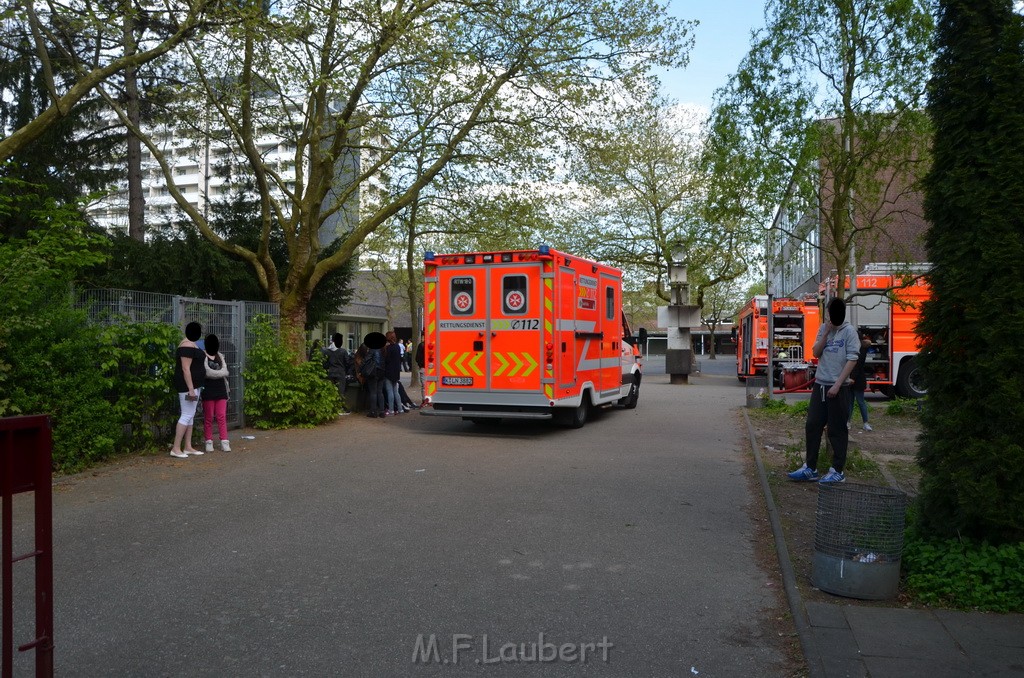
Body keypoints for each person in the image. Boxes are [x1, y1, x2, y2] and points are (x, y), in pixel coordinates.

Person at [788, 297, 860, 484]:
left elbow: (852, 359)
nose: (829, 316)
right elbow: (816, 352)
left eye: (831, 313)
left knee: (837, 430)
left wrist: (837, 384)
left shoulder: (849, 332)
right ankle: (810, 468)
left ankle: (837, 470)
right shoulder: (823, 329)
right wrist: (826, 332)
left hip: (839, 388)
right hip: (820, 385)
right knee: (812, 425)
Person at [170, 321, 207, 458]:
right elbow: (185, 369)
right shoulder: (186, 345)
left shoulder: (192, 344)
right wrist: (191, 389)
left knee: (190, 416)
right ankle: (175, 448)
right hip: (187, 386)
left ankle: (188, 446)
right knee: (186, 415)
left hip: (194, 385)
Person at [201, 334, 231, 452]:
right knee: (208, 417)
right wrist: (220, 374)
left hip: (221, 390)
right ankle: (208, 441)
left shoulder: (220, 356)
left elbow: (225, 371)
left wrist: (218, 374)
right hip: (208, 390)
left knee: (221, 416)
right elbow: (206, 373)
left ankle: (224, 441)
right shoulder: (202, 356)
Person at [848, 334, 873, 432]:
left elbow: (857, 365)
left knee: (855, 402)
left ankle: (850, 422)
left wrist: (852, 378)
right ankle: (864, 423)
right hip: (855, 379)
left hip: (854, 379)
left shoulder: (859, 349)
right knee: (858, 402)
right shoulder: (861, 348)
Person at [322, 333, 352, 408]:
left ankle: (331, 407)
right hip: (340, 373)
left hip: (331, 373)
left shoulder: (327, 351)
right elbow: (347, 363)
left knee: (331, 391)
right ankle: (339, 407)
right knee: (341, 392)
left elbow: (325, 364)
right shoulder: (343, 351)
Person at [383, 331, 403, 415]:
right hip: (396, 372)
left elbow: (386, 360)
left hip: (388, 372)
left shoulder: (388, 348)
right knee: (396, 391)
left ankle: (391, 410)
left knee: (389, 391)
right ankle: (400, 409)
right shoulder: (398, 347)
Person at [415, 332, 426, 404]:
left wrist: (420, 364)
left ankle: (424, 399)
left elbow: (417, 358)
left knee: (424, 385)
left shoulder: (421, 345)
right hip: (431, 368)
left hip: (423, 367)